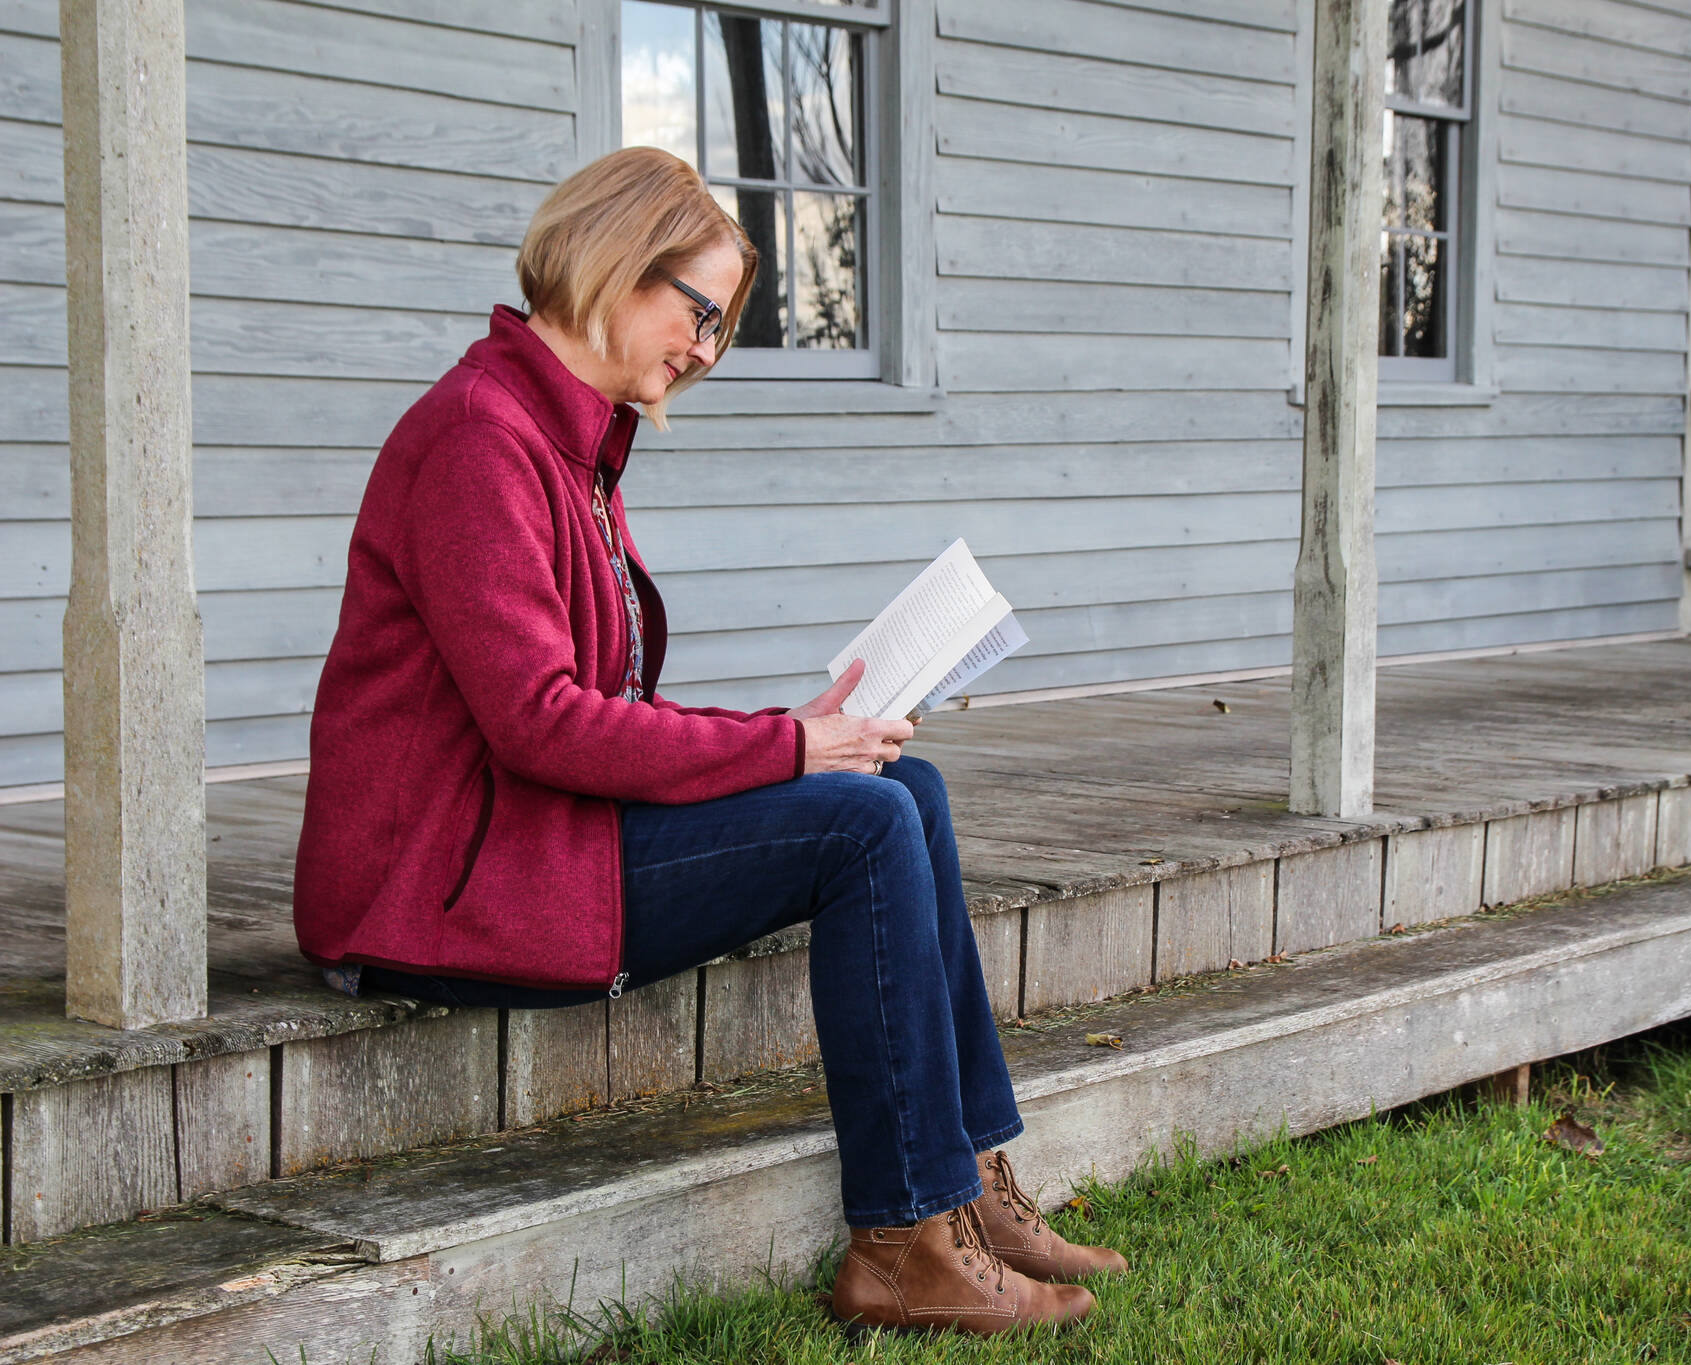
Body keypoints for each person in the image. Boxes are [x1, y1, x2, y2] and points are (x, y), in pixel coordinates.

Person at [292, 146, 1127, 1335]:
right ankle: (902, 1243)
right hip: (440, 885)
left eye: (721, 329)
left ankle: (970, 1192)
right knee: (862, 822)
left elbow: (597, 709)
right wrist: (785, 748)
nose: (702, 351)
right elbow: (541, 723)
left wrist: (807, 732)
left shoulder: (570, 445)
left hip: (538, 839)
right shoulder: (481, 440)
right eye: (701, 312)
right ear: (615, 260)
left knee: (907, 785)